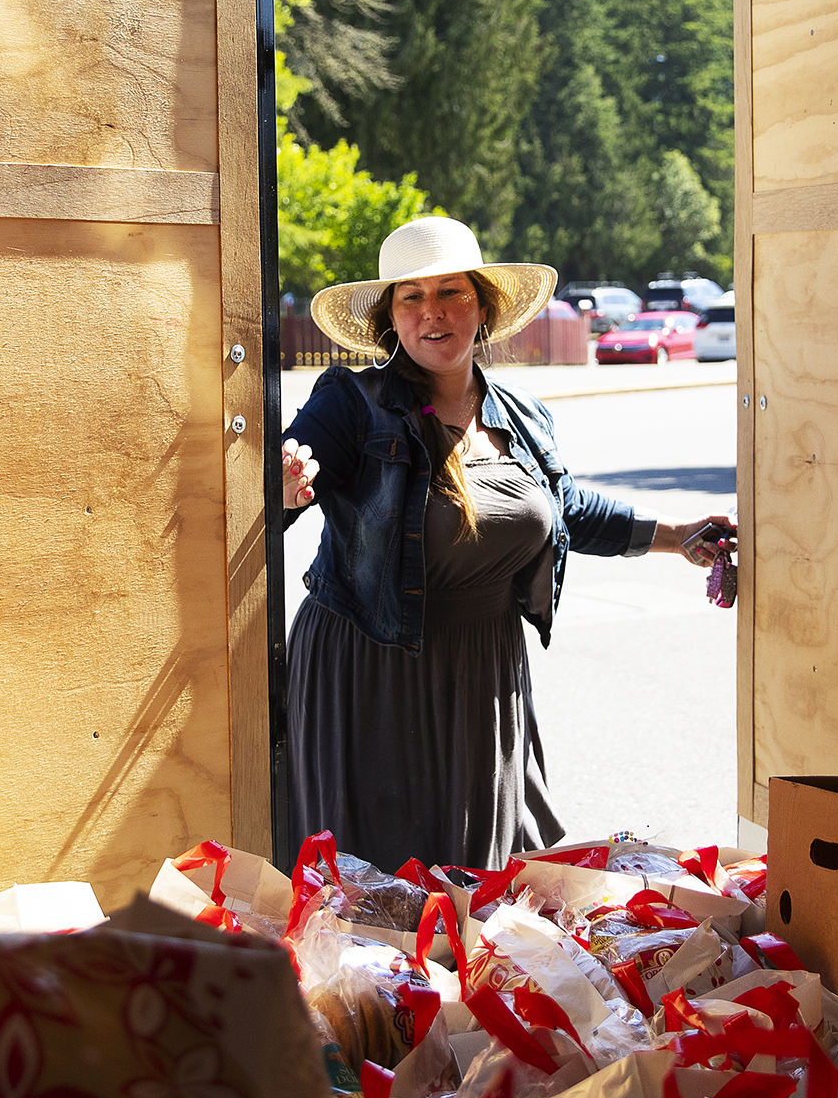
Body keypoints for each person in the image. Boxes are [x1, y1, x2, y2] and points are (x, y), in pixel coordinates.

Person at [280, 216, 733, 873]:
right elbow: (282, 481)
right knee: (379, 897)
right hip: (371, 676)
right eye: (411, 296)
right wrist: (289, 486)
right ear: (390, 316)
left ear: (483, 305)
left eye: (451, 293)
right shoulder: (352, 403)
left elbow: (567, 508)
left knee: (481, 886)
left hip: (484, 678)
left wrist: (677, 536)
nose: (432, 313)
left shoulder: (521, 415)